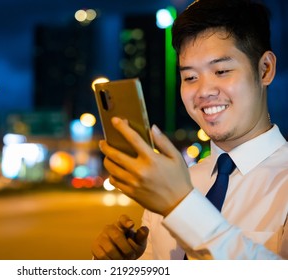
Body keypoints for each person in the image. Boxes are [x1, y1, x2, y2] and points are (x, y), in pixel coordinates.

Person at [91, 0, 288, 260]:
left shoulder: (175, 192)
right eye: (190, 77)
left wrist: (180, 205)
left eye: (221, 70)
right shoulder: (180, 181)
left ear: (265, 69)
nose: (204, 92)